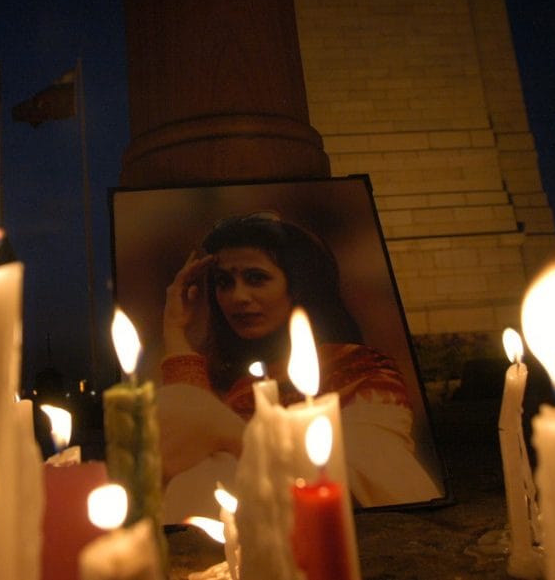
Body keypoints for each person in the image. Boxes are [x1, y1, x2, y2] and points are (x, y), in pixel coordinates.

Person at [156, 212, 442, 519]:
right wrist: (174, 329)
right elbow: (190, 460)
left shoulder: (361, 370)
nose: (237, 296)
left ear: (298, 286)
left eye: (256, 278)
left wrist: (231, 435)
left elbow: (369, 470)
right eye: (225, 282)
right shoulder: (229, 379)